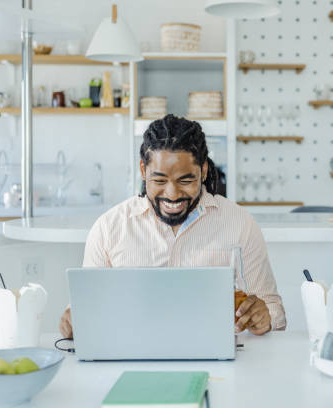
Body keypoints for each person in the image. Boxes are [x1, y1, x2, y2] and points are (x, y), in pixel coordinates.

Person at [59, 114, 286, 337]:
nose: (172, 194)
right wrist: (75, 321)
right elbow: (85, 309)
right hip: (131, 355)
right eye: (158, 181)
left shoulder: (239, 223)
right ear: (143, 171)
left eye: (185, 181)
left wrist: (266, 318)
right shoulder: (109, 228)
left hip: (218, 360)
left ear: (204, 171)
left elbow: (274, 311)